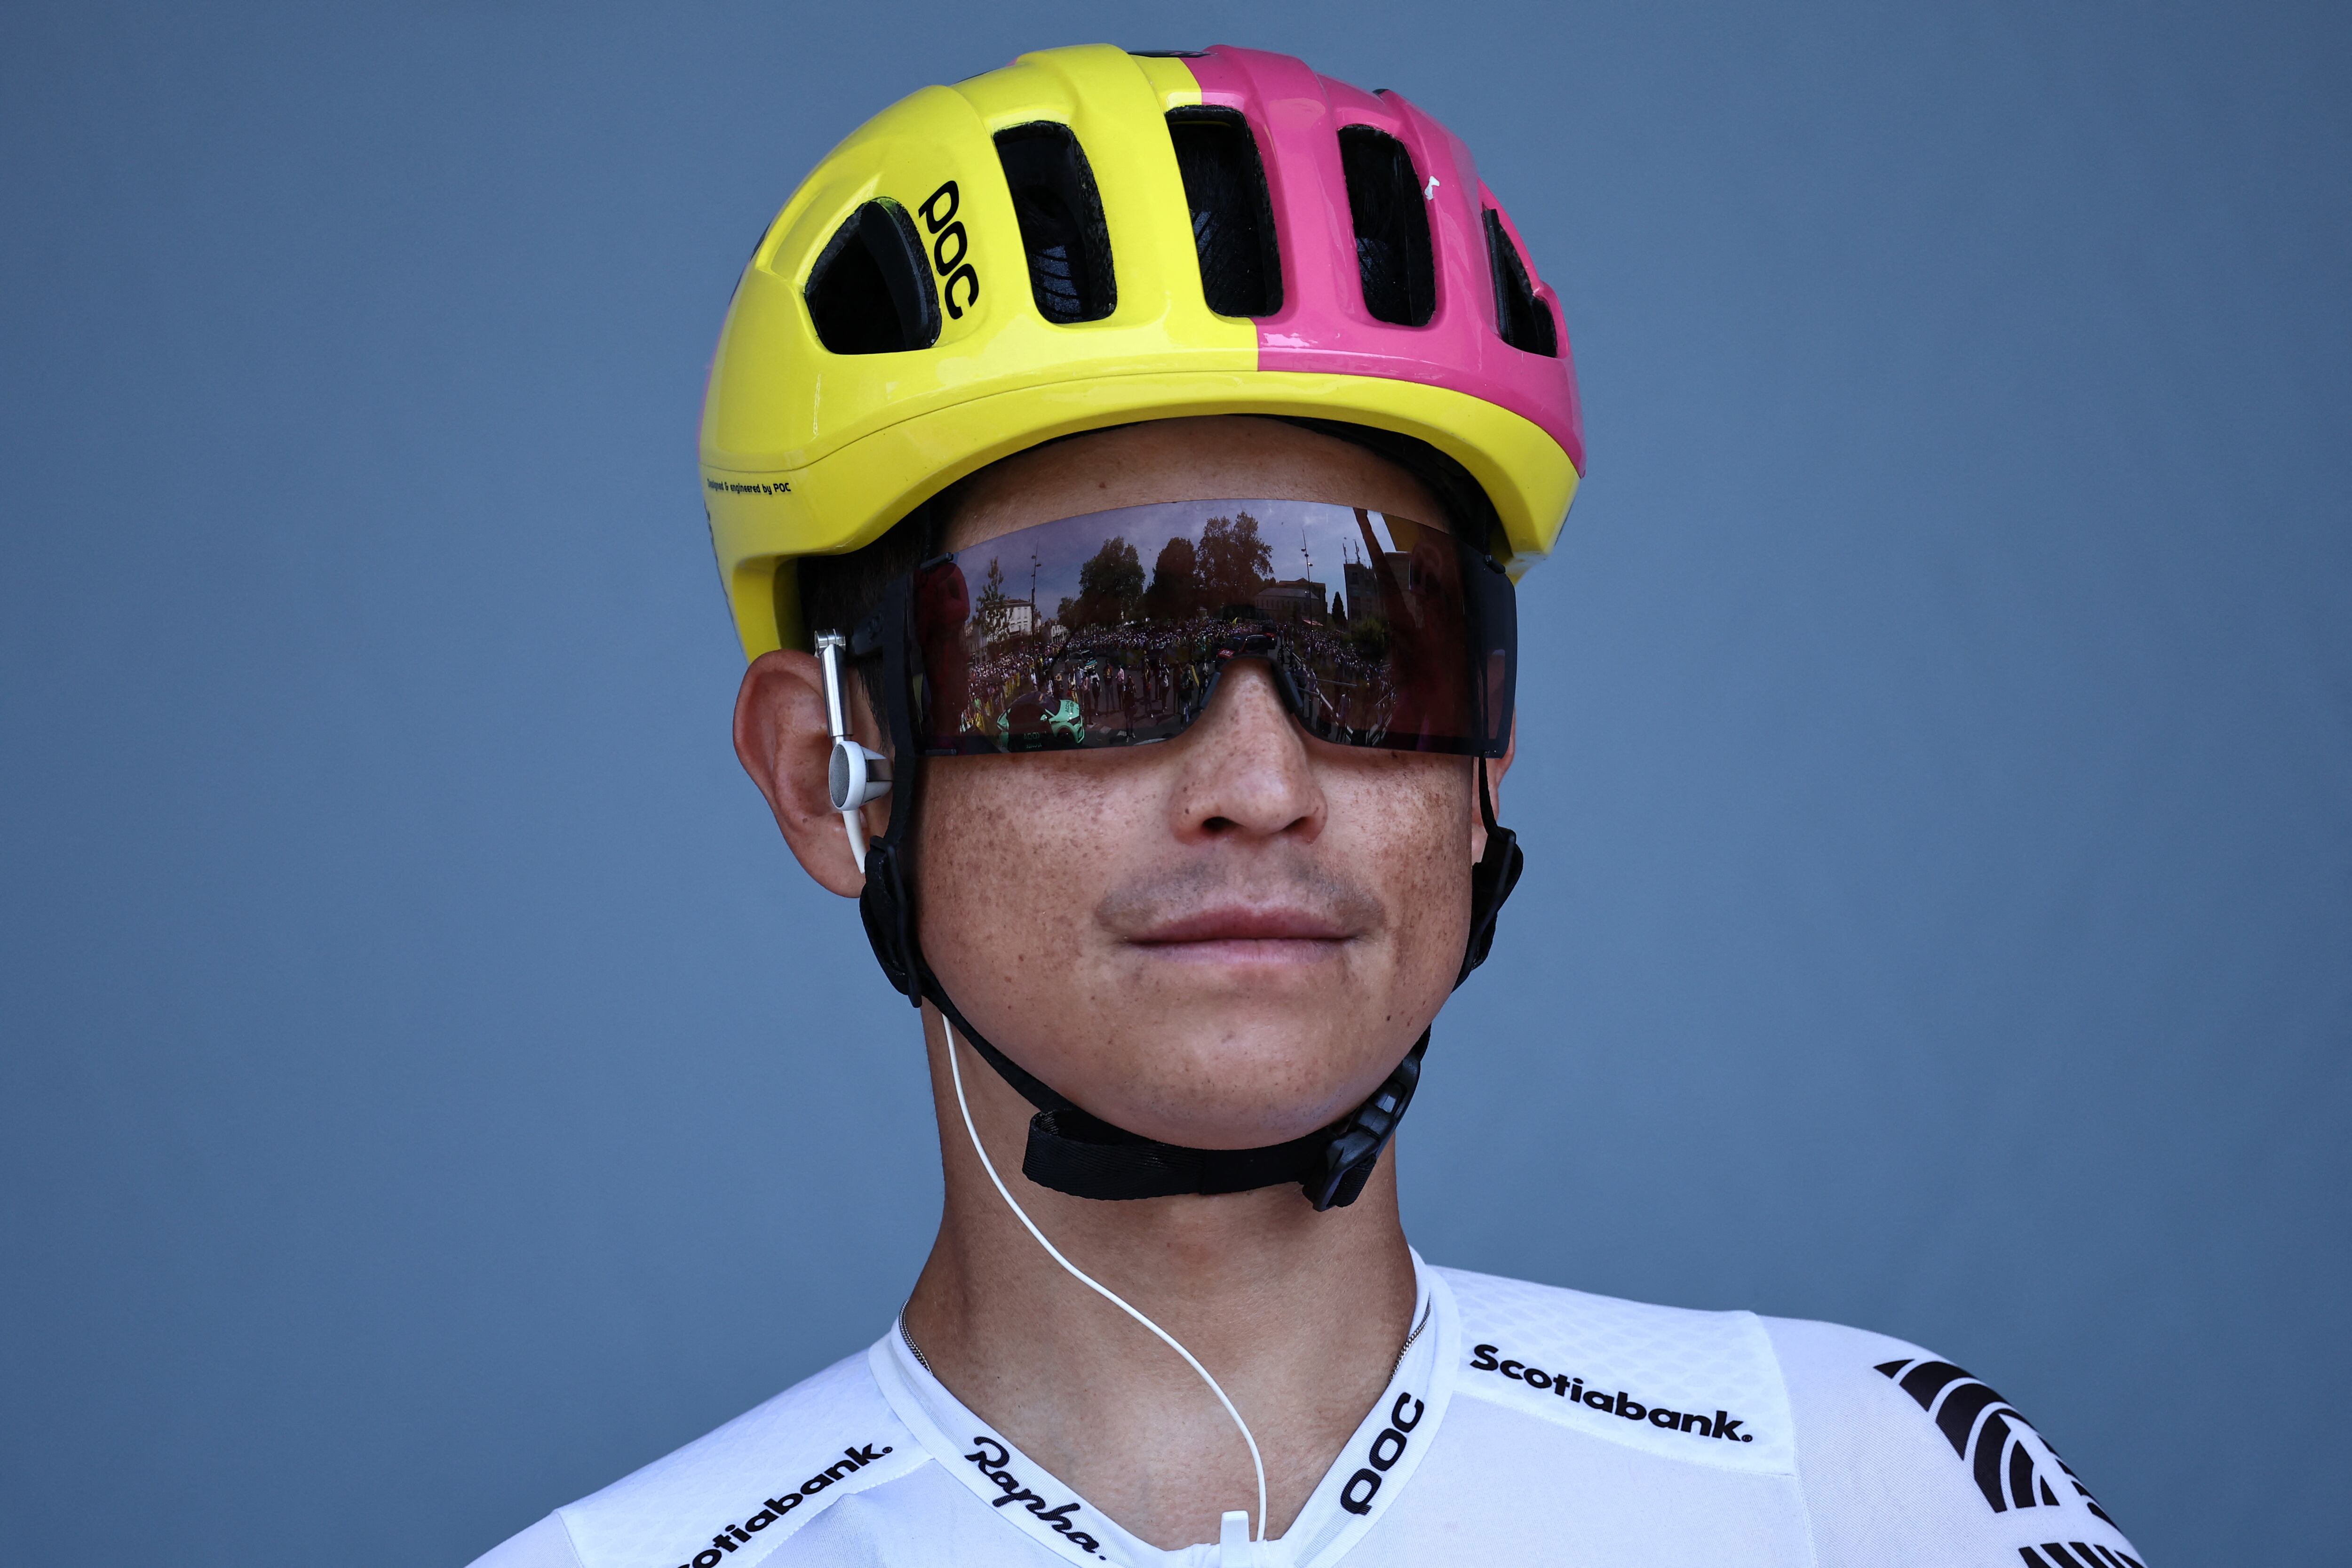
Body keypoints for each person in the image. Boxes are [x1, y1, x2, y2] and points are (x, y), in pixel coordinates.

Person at [469, 43, 2144, 1568]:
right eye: (1095, 650)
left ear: (1488, 759)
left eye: (1371, 642)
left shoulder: (1866, 1491)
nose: (1262, 787)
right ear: (831, 774)